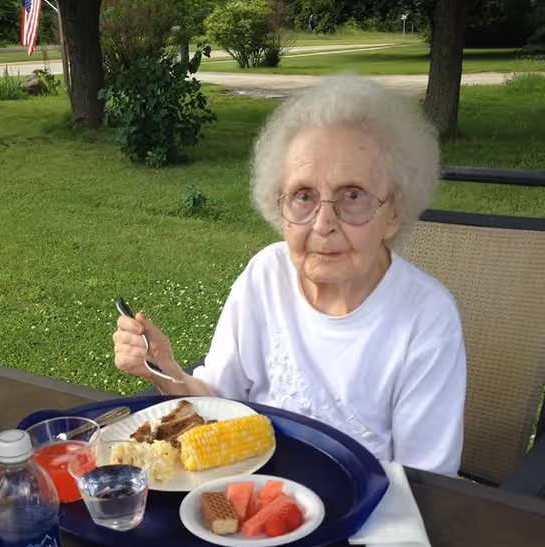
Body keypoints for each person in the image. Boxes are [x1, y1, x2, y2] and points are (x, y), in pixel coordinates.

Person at [113, 74, 467, 476]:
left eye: (352, 196)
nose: (323, 223)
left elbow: (427, 482)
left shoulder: (426, 318)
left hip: (363, 522)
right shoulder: (265, 274)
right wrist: (163, 371)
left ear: (394, 213)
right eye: (304, 196)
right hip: (249, 506)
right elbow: (216, 399)